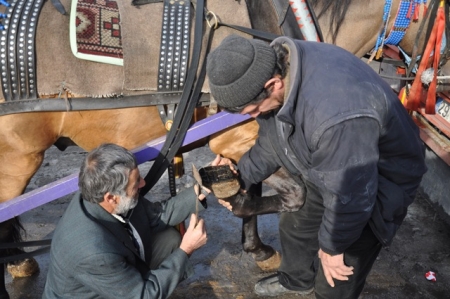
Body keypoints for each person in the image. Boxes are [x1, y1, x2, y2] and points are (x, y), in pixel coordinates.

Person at [206, 35, 427, 298]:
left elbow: (352, 197)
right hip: (325, 165)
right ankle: (296, 281)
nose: (255, 116)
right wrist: (240, 177)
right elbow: (271, 142)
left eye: (253, 111)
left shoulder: (335, 116)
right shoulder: (280, 66)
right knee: (295, 227)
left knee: (336, 277)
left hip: (375, 183)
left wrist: (333, 248)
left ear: (273, 84)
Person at [43, 143, 209, 299]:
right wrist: (186, 249)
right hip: (104, 287)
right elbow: (143, 295)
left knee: (170, 240)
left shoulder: (101, 194)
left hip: (115, 267)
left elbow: (158, 214)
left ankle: (154, 280)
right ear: (111, 198)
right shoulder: (95, 254)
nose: (143, 183)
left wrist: (205, 185)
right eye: (136, 182)